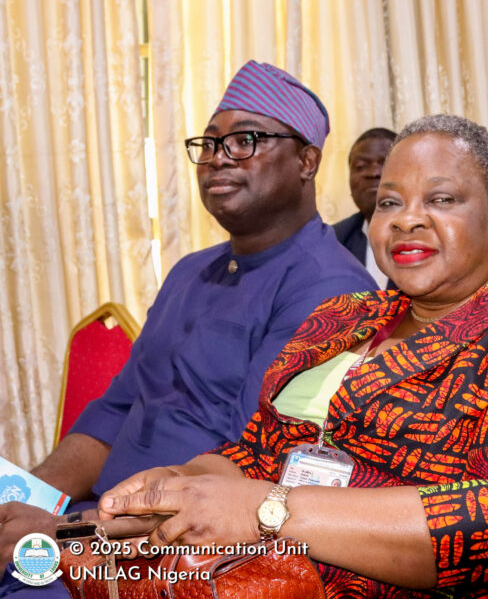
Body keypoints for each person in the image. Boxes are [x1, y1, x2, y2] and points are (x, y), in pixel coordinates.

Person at [98, 115, 488, 599]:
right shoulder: (344, 316)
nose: (407, 220)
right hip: (266, 573)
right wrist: (182, 482)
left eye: (441, 199)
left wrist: (269, 512)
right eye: (389, 203)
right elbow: (259, 452)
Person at [0, 61, 375, 586]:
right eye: (210, 143)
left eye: (245, 140)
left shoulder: (332, 290)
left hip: (190, 559)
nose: (218, 158)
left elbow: (247, 465)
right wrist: (26, 503)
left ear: (306, 161)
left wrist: (61, 534)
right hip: (95, 528)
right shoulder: (189, 271)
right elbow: (113, 413)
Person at [332, 127, 397, 289]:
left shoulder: (433, 234)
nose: (374, 172)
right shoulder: (335, 241)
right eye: (361, 166)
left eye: (386, 164)